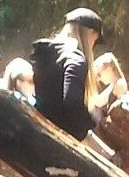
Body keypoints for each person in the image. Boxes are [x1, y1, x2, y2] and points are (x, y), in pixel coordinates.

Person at [31, 7, 102, 140]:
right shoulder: (76, 58)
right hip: (60, 138)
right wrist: (90, 122)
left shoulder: (46, 53)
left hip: (39, 127)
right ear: (91, 33)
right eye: (95, 39)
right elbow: (72, 100)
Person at [92, 52, 128, 118]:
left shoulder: (120, 84)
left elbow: (122, 113)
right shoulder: (114, 85)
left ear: (109, 68)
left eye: (99, 74)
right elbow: (97, 102)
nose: (98, 80)